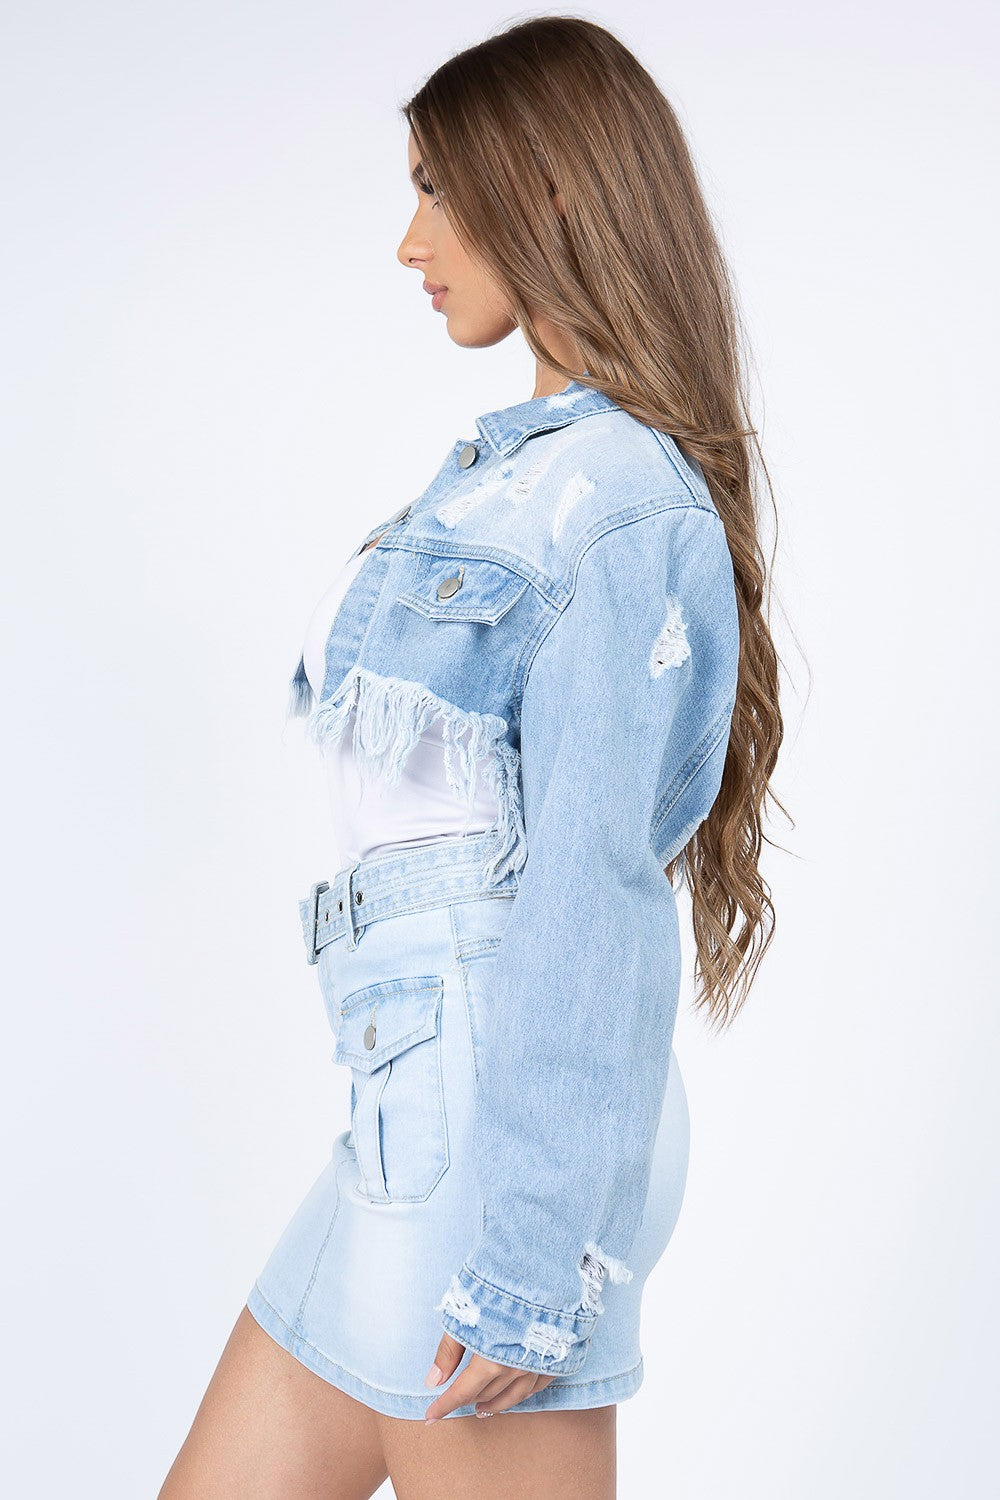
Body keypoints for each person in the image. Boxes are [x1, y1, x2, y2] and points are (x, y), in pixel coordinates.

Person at [158, 15, 786, 1499]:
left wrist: (532, 1250)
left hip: (504, 1144)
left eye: (439, 188)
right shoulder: (525, 473)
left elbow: (592, 886)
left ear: (550, 194)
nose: (407, 241)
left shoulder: (618, 505)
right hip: (405, 1119)